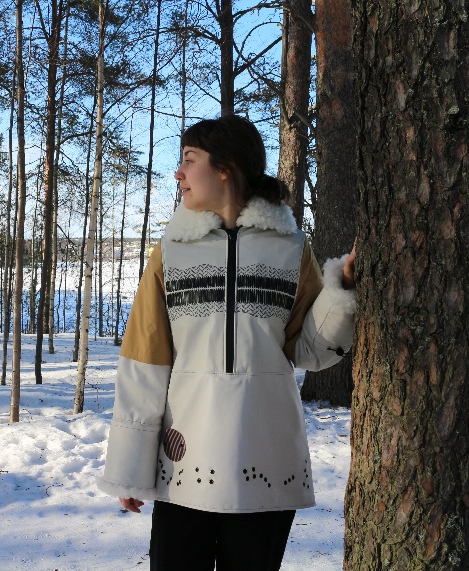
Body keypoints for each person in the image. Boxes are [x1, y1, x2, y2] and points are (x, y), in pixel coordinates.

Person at [97, 115, 357, 571]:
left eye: (189, 160)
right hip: (184, 466)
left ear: (226, 168)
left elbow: (309, 351)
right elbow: (145, 361)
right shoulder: (172, 251)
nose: (178, 173)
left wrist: (342, 292)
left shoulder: (291, 249)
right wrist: (130, 465)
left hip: (266, 461)